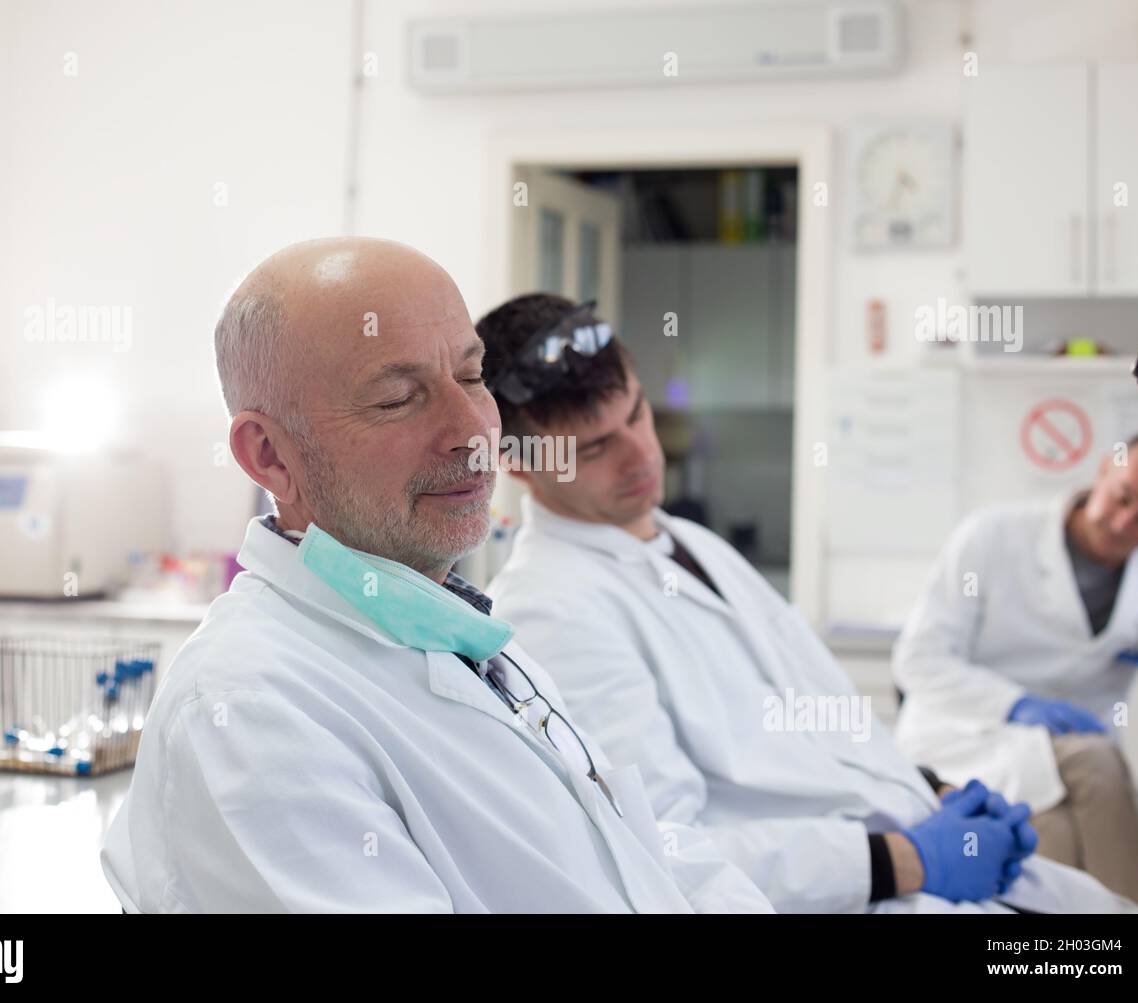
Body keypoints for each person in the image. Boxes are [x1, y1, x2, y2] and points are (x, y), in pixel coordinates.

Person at [99, 238, 773, 914]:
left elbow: (638, 859)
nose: (475, 429)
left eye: (473, 377)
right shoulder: (250, 712)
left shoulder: (468, 640)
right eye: (398, 398)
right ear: (270, 455)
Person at [478, 292, 1138, 913]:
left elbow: (812, 733)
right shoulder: (549, 608)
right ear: (518, 460)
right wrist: (900, 861)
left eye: (639, 413)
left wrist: (933, 787)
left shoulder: (689, 542)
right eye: (596, 447)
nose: (641, 455)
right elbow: (661, 850)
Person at [892, 433, 1138, 912]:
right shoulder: (995, 537)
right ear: (1105, 468)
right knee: (1096, 764)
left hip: (1071, 766)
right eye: (1122, 498)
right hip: (970, 734)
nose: (1124, 523)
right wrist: (1015, 704)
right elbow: (918, 658)